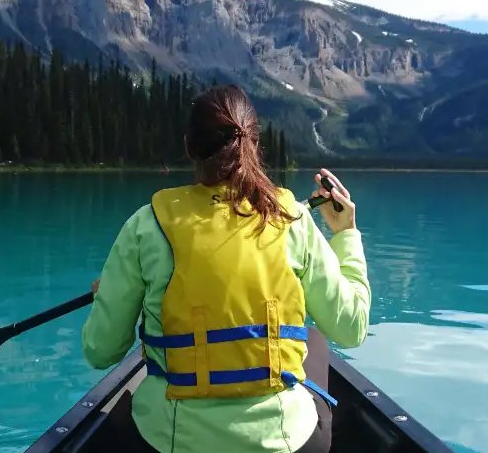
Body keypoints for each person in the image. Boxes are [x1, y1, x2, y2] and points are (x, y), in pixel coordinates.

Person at [82, 85, 370, 453]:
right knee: (314, 340)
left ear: (189, 146)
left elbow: (99, 351)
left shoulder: (146, 225)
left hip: (169, 442)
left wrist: (106, 301)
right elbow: (352, 328)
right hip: (286, 444)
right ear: (252, 143)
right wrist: (345, 234)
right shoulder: (293, 217)